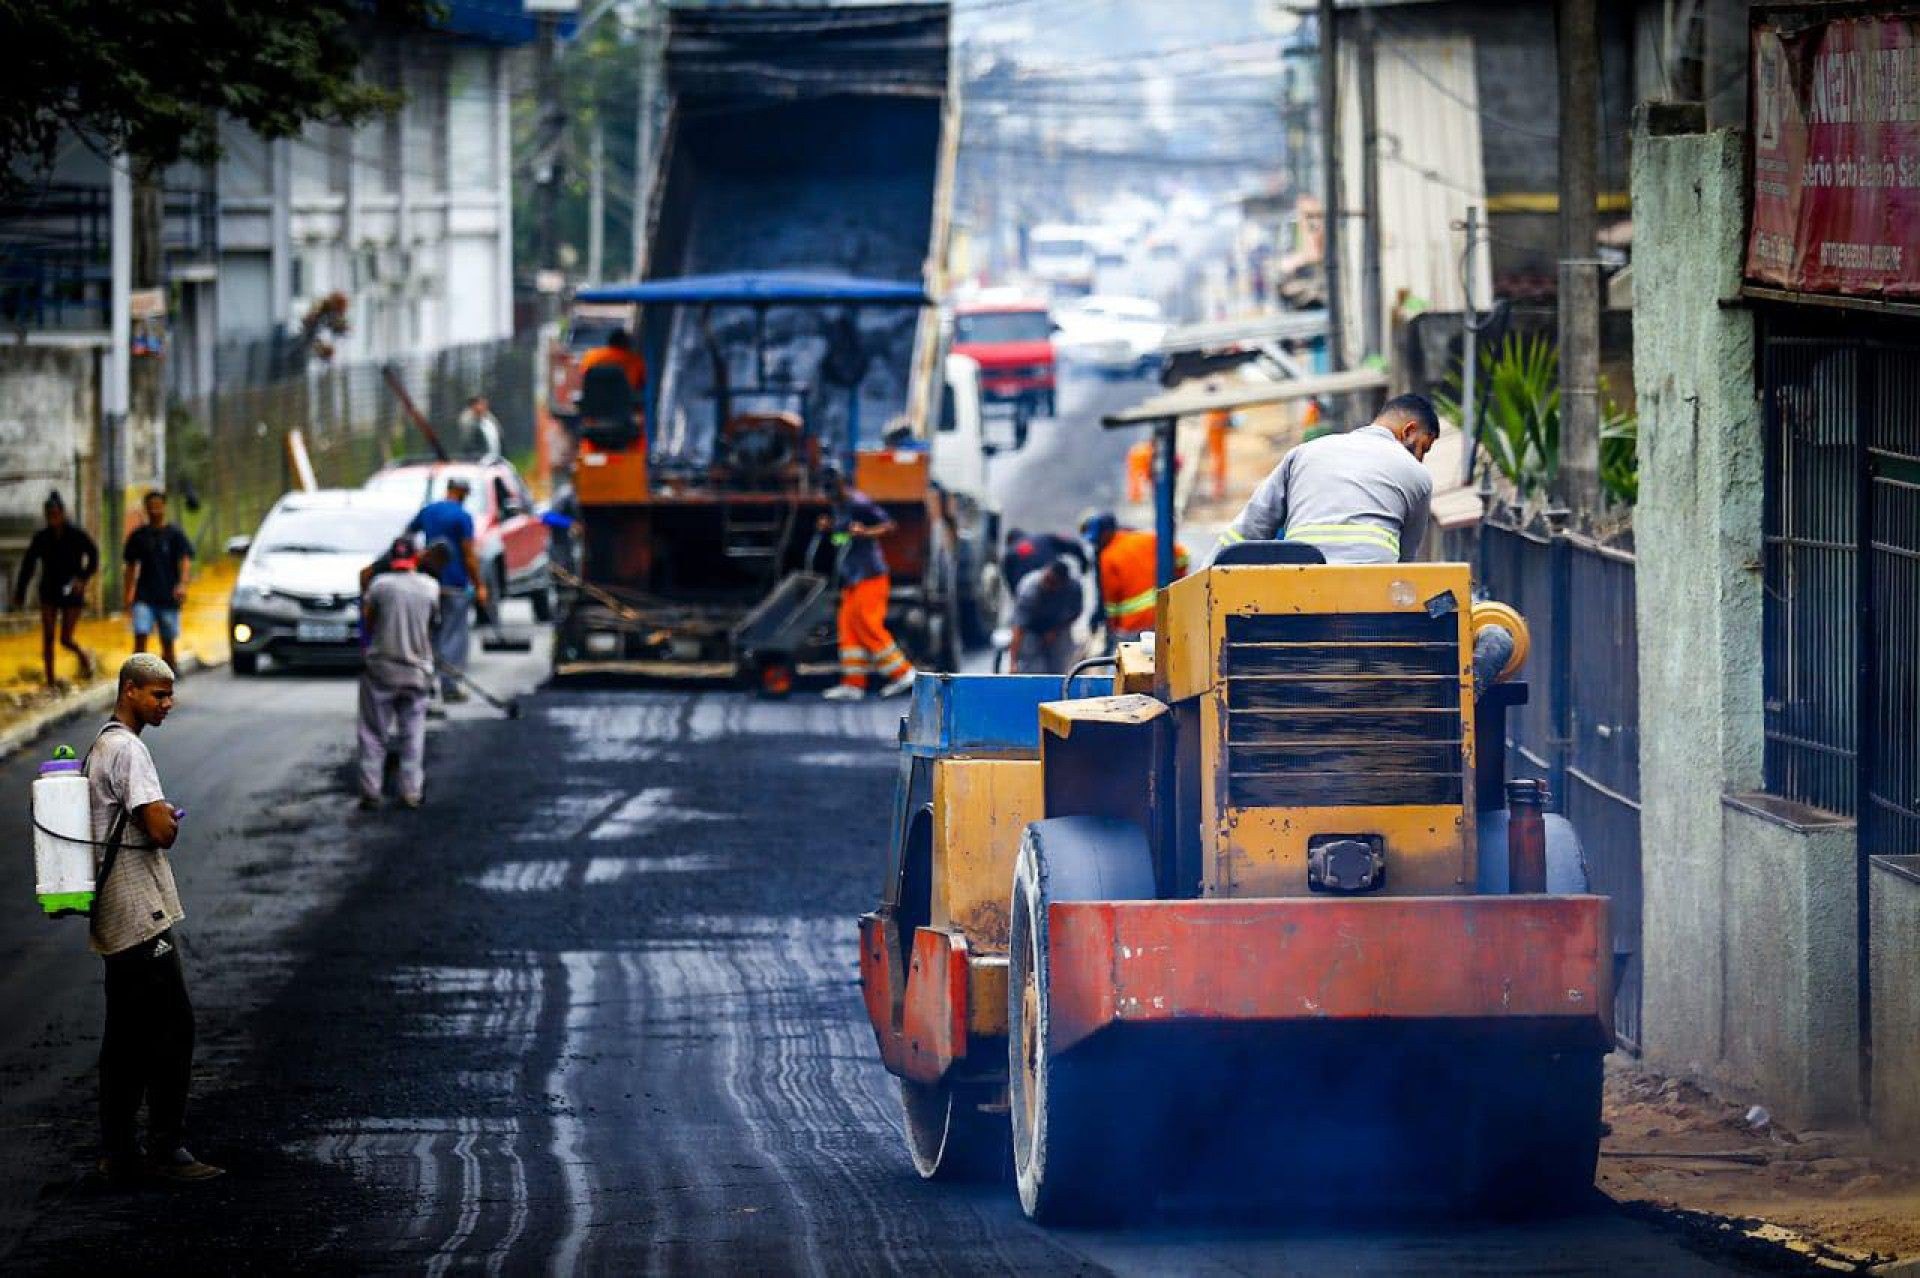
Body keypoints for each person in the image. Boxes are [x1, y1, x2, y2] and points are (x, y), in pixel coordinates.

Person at [86, 653, 223, 1186]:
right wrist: (165, 816)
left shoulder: (101, 744)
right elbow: (161, 829)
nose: (168, 704)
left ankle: (117, 1153)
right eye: (157, 695)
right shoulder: (129, 750)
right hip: (139, 910)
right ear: (129, 691)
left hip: (112, 910)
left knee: (123, 1034)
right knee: (172, 1028)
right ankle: (165, 1150)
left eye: (169, 695)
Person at [1214, 393, 1439, 565]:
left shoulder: (1304, 453)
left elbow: (1250, 528)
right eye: (1423, 448)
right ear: (1409, 431)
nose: (1420, 458)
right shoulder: (1417, 474)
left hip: (1300, 592)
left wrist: (1205, 583)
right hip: (1372, 604)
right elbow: (1405, 563)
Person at [357, 543, 447, 810]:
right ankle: (411, 792)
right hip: (417, 672)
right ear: (415, 559)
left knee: (373, 733)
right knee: (413, 734)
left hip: (381, 670)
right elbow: (433, 624)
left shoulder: (379, 586)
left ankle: (371, 791)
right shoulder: (430, 587)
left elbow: (369, 624)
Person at [820, 467, 915, 701]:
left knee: (867, 623)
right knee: (847, 625)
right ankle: (854, 683)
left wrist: (866, 532)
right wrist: (830, 529)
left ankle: (904, 672)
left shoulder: (859, 503)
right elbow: (842, 538)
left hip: (871, 575)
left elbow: (889, 526)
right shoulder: (838, 507)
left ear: (842, 484)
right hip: (852, 577)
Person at [407, 477, 487, 703]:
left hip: (428, 583)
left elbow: (408, 536)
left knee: (430, 634)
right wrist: (479, 585)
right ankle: (450, 686)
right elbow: (469, 555)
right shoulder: (462, 517)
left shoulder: (428, 511)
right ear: (463, 493)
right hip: (454, 584)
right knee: (454, 635)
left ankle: (426, 684)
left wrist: (418, 561)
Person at [13, 491, 98, 685]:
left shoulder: (76, 534)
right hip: (49, 589)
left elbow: (93, 556)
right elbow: (29, 565)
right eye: (49, 514)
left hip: (72, 590)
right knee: (48, 635)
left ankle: (83, 656)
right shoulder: (41, 538)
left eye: (56, 513)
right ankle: (50, 680)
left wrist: (82, 579)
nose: (53, 518)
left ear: (62, 513)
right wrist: (20, 592)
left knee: (66, 638)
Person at [1081, 511, 1189, 643]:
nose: (1096, 544)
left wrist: (1112, 629)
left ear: (1106, 533)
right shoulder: (1146, 539)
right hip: (1168, 613)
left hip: (1135, 626)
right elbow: (1182, 555)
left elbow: (1111, 600)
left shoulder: (1107, 558)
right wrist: (1178, 578)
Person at [123, 490, 193, 669]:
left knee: (168, 643)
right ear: (146, 509)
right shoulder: (139, 536)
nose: (155, 511)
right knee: (140, 635)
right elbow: (130, 567)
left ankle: (168, 678)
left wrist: (182, 585)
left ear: (164, 507)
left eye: (158, 506)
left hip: (168, 596)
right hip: (144, 595)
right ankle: (137, 677)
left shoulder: (175, 534)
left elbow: (185, 559)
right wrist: (128, 595)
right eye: (151, 507)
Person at [1007, 555, 1081, 675]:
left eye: (1052, 583)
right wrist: (1013, 662)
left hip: (1058, 626)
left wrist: (1055, 630)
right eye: (1046, 580)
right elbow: (1018, 628)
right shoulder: (1029, 590)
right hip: (1031, 629)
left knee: (1060, 666)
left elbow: (1075, 612)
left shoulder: (1073, 588)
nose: (1047, 584)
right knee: (1032, 667)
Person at [999, 528, 1086, 596]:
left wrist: (1017, 597)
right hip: (1055, 580)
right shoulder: (1044, 538)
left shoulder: (1009, 554)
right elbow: (1071, 544)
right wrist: (1084, 563)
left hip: (1029, 591)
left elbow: (1009, 581)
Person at [1204, 406, 1234, 500]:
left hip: (1215, 426)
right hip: (1216, 425)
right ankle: (1218, 487)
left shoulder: (1216, 412)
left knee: (1217, 457)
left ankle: (1218, 488)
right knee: (1218, 456)